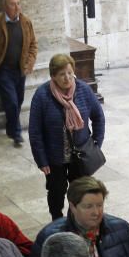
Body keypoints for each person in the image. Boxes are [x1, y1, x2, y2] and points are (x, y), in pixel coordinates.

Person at [28, 53, 105, 220]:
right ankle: (56, 219)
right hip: (55, 156)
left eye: (70, 73)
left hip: (81, 154)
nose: (67, 78)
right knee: (57, 190)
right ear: (53, 76)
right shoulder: (42, 95)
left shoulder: (83, 90)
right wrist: (41, 159)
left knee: (79, 191)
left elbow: (98, 116)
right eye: (62, 74)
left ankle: (74, 219)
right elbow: (35, 132)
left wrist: (96, 144)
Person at [0, 0, 37, 148]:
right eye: (13, 4)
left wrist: (30, 63)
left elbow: (33, 44)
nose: (17, 7)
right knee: (11, 102)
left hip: (20, 69)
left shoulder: (26, 22)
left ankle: (10, 127)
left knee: (17, 101)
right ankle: (17, 134)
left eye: (18, 3)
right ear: (4, 6)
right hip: (3, 69)